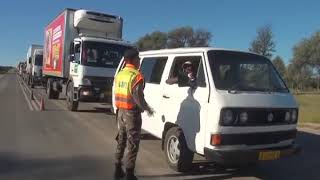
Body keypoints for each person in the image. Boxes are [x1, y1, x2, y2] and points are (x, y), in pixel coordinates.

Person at [113, 48, 154, 180]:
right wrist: (147, 108)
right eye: (138, 58)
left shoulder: (120, 74)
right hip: (131, 113)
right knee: (133, 143)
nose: (140, 60)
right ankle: (129, 174)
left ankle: (117, 169)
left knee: (121, 140)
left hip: (120, 112)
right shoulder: (136, 76)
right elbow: (138, 97)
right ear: (134, 60)